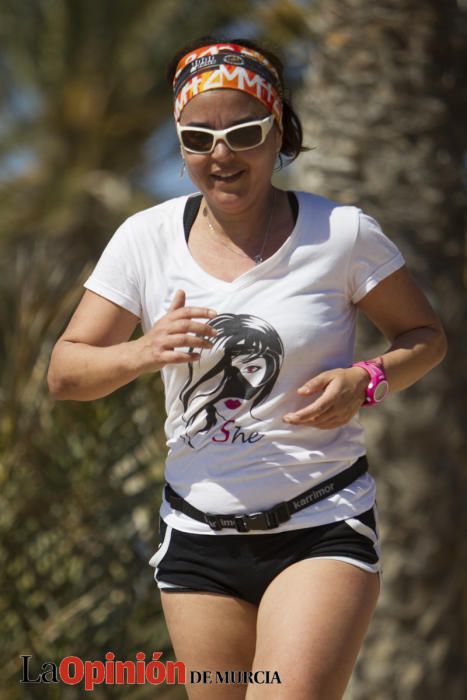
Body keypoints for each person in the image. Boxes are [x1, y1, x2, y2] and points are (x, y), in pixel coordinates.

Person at [47, 35, 447, 700]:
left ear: (277, 132)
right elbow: (65, 372)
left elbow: (425, 335)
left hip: (320, 522)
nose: (220, 154)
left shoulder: (341, 234)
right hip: (196, 539)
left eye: (243, 131)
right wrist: (144, 350)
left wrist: (365, 380)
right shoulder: (144, 239)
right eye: (197, 137)